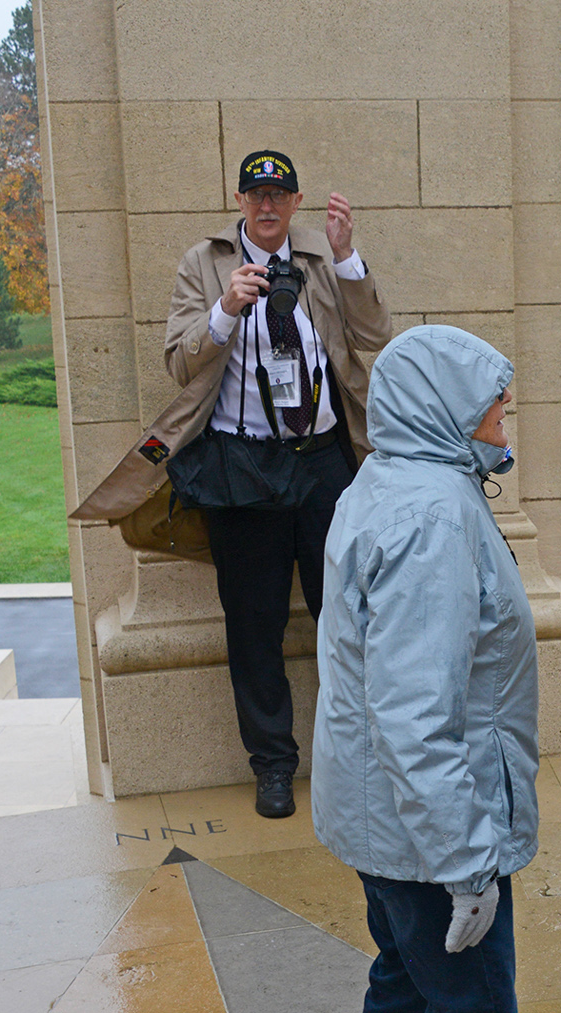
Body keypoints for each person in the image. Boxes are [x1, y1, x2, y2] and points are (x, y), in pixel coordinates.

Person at [311, 325, 561, 1013]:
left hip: (381, 819)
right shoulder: (433, 516)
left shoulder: (391, 483)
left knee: (403, 988)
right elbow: (417, 712)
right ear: (451, 411)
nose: (506, 420)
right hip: (426, 828)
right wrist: (468, 862)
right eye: (495, 403)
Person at [165, 149, 392, 818]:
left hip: (325, 465)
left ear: (296, 204)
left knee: (346, 617)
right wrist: (224, 310)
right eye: (255, 194)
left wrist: (349, 258)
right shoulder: (202, 264)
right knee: (254, 625)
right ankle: (272, 765)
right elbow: (179, 363)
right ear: (239, 200)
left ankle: (358, 760)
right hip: (243, 467)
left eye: (280, 195)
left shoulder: (322, 259)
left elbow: (377, 332)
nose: (267, 206)